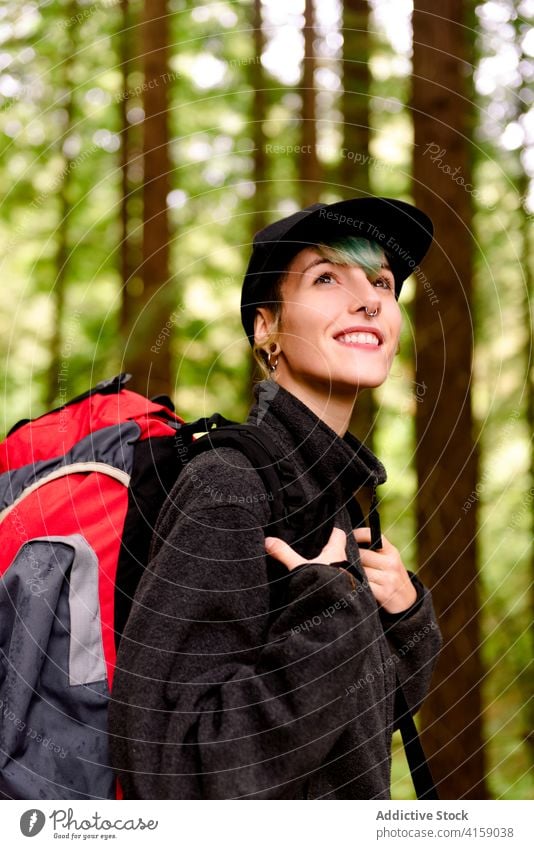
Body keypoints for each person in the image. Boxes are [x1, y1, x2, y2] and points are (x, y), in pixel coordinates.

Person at [109, 196, 443, 800]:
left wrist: (405, 617)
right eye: (325, 278)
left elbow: (355, 725)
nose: (368, 299)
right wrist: (332, 618)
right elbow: (171, 769)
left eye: (382, 284)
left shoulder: (337, 500)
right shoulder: (229, 490)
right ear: (267, 328)